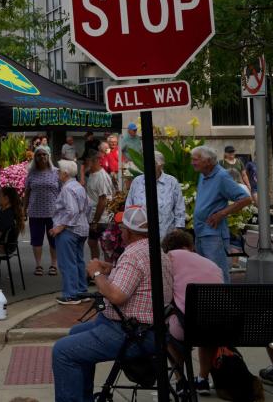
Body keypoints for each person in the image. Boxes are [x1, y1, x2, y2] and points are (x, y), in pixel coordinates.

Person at [52, 206, 173, 402]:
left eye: (122, 228)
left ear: (129, 232)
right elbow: (138, 281)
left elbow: (116, 296)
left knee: (63, 351)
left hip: (133, 333)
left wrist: (96, 273)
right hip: (148, 328)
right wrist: (113, 269)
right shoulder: (153, 249)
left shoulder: (133, 255)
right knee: (75, 333)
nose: (120, 231)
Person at [160, 229, 222, 393]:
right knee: (207, 326)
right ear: (190, 246)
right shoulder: (211, 264)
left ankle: (181, 380)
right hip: (218, 328)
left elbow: (163, 295)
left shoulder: (167, 260)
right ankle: (202, 379)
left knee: (165, 329)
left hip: (185, 328)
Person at [190, 145, 252, 283]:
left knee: (217, 273)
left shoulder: (222, 176)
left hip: (213, 233)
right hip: (200, 231)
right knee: (205, 273)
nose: (192, 163)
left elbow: (246, 198)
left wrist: (222, 213)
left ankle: (224, 303)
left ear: (207, 161)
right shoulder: (203, 174)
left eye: (195, 160)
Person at [51, 160, 91, 305]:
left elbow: (71, 210)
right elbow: (88, 206)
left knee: (67, 262)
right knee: (78, 260)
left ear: (65, 173)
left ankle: (71, 294)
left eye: (59, 171)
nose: (57, 173)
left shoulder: (67, 189)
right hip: (81, 228)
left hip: (70, 229)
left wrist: (60, 226)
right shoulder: (79, 187)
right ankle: (81, 290)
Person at [126, 151, 186, 239]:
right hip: (140, 235)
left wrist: (179, 229)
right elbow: (129, 205)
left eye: (153, 163)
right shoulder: (137, 181)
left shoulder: (171, 182)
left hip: (166, 235)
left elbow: (179, 207)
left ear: (161, 165)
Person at [24, 146, 59, 277]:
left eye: (44, 154)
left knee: (53, 240)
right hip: (35, 212)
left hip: (53, 213)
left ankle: (54, 265)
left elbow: (62, 193)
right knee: (36, 240)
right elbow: (27, 193)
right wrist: (23, 210)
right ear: (35, 158)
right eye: (39, 155)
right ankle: (38, 265)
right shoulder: (31, 173)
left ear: (48, 156)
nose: (42, 157)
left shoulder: (56, 172)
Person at [82, 150, 114, 261]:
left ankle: (106, 271)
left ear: (93, 161)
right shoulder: (91, 174)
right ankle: (96, 269)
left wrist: (95, 221)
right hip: (94, 216)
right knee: (92, 242)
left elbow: (103, 200)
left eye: (86, 162)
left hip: (103, 218)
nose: (84, 165)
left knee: (106, 246)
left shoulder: (101, 176)